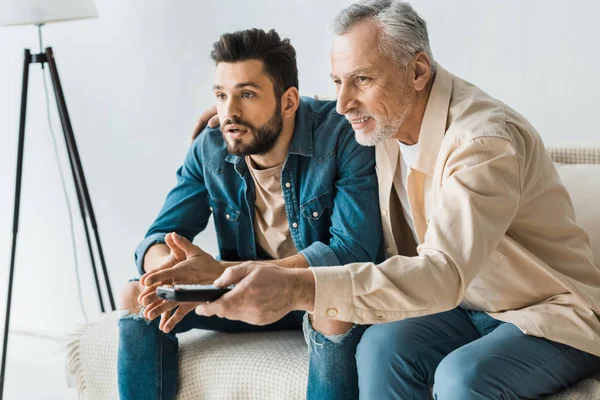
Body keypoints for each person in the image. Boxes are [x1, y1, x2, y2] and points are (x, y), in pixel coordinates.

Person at [190, 1, 600, 398]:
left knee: (461, 378)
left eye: (362, 80)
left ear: (418, 70)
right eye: (338, 81)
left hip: (547, 313)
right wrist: (241, 113)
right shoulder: (381, 119)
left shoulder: (482, 143)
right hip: (465, 307)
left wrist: (299, 287)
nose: (344, 102)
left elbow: (442, 273)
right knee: (380, 347)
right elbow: (310, 113)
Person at [117, 28, 383, 400]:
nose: (229, 112)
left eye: (246, 94)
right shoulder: (210, 148)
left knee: (334, 306)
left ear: (289, 101)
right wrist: (170, 266)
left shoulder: (340, 138)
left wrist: (228, 273)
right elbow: (158, 235)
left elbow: (353, 253)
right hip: (238, 294)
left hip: (307, 292)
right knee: (136, 294)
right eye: (221, 96)